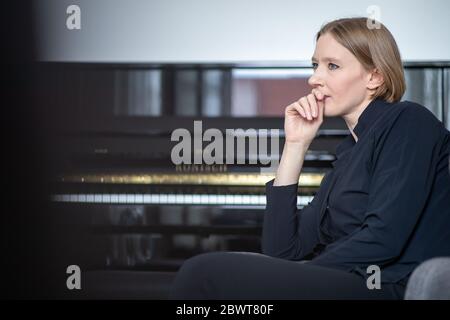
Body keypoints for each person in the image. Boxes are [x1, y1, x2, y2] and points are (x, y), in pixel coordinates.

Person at [169, 17, 450, 300]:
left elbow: (383, 239)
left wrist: (302, 274)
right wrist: (295, 145)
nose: (314, 78)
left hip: (385, 287)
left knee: (203, 273)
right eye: (315, 65)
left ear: (374, 77)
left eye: (333, 66)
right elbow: (282, 251)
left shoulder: (408, 122)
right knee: (200, 273)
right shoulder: (348, 154)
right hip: (341, 280)